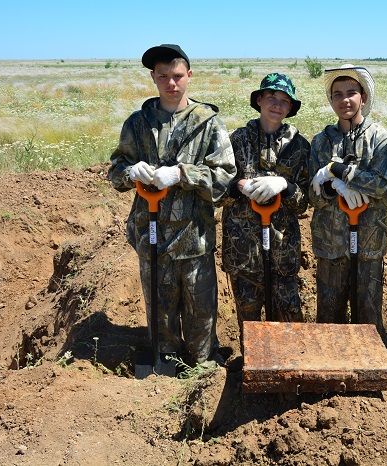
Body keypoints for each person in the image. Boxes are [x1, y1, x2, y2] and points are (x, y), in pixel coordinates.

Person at [108, 44, 236, 367]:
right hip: (152, 240)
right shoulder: (137, 124)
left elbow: (225, 178)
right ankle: (162, 376)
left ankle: (203, 377)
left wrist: (182, 174)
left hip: (195, 240)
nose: (171, 83)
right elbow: (116, 171)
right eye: (163, 76)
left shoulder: (208, 123)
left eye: (177, 75)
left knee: (201, 323)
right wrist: (130, 172)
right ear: (153, 77)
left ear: (189, 76)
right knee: (160, 324)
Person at [309, 65, 387, 346]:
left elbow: (381, 185)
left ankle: (372, 368)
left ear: (364, 98)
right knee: (329, 315)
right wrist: (332, 187)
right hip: (330, 243)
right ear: (331, 100)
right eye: (337, 94)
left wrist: (339, 170)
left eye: (351, 93)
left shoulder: (380, 138)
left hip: (368, 241)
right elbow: (314, 195)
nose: (345, 100)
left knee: (368, 314)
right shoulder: (321, 141)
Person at [222, 73, 310, 334]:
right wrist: (238, 187)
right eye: (272, 97)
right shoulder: (236, 141)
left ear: (290, 108)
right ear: (259, 100)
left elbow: (304, 202)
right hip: (243, 251)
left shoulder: (299, 147)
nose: (277, 105)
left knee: (289, 320)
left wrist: (286, 185)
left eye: (285, 100)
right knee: (249, 323)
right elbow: (218, 191)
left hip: (283, 251)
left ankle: (290, 369)